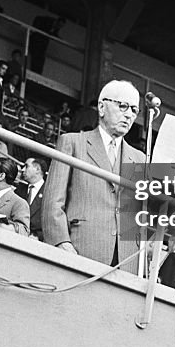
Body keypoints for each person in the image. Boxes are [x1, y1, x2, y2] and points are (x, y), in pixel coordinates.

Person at [41, 80, 147, 273]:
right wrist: (61, 243)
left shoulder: (140, 158)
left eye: (134, 110)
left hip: (127, 262)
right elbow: (53, 201)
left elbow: (143, 214)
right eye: (122, 106)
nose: (129, 114)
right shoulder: (72, 142)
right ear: (101, 107)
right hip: (80, 250)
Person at [18, 158, 47, 240]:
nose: (23, 170)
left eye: (26, 166)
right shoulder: (19, 190)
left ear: (37, 169)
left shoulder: (49, 193)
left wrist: (38, 236)